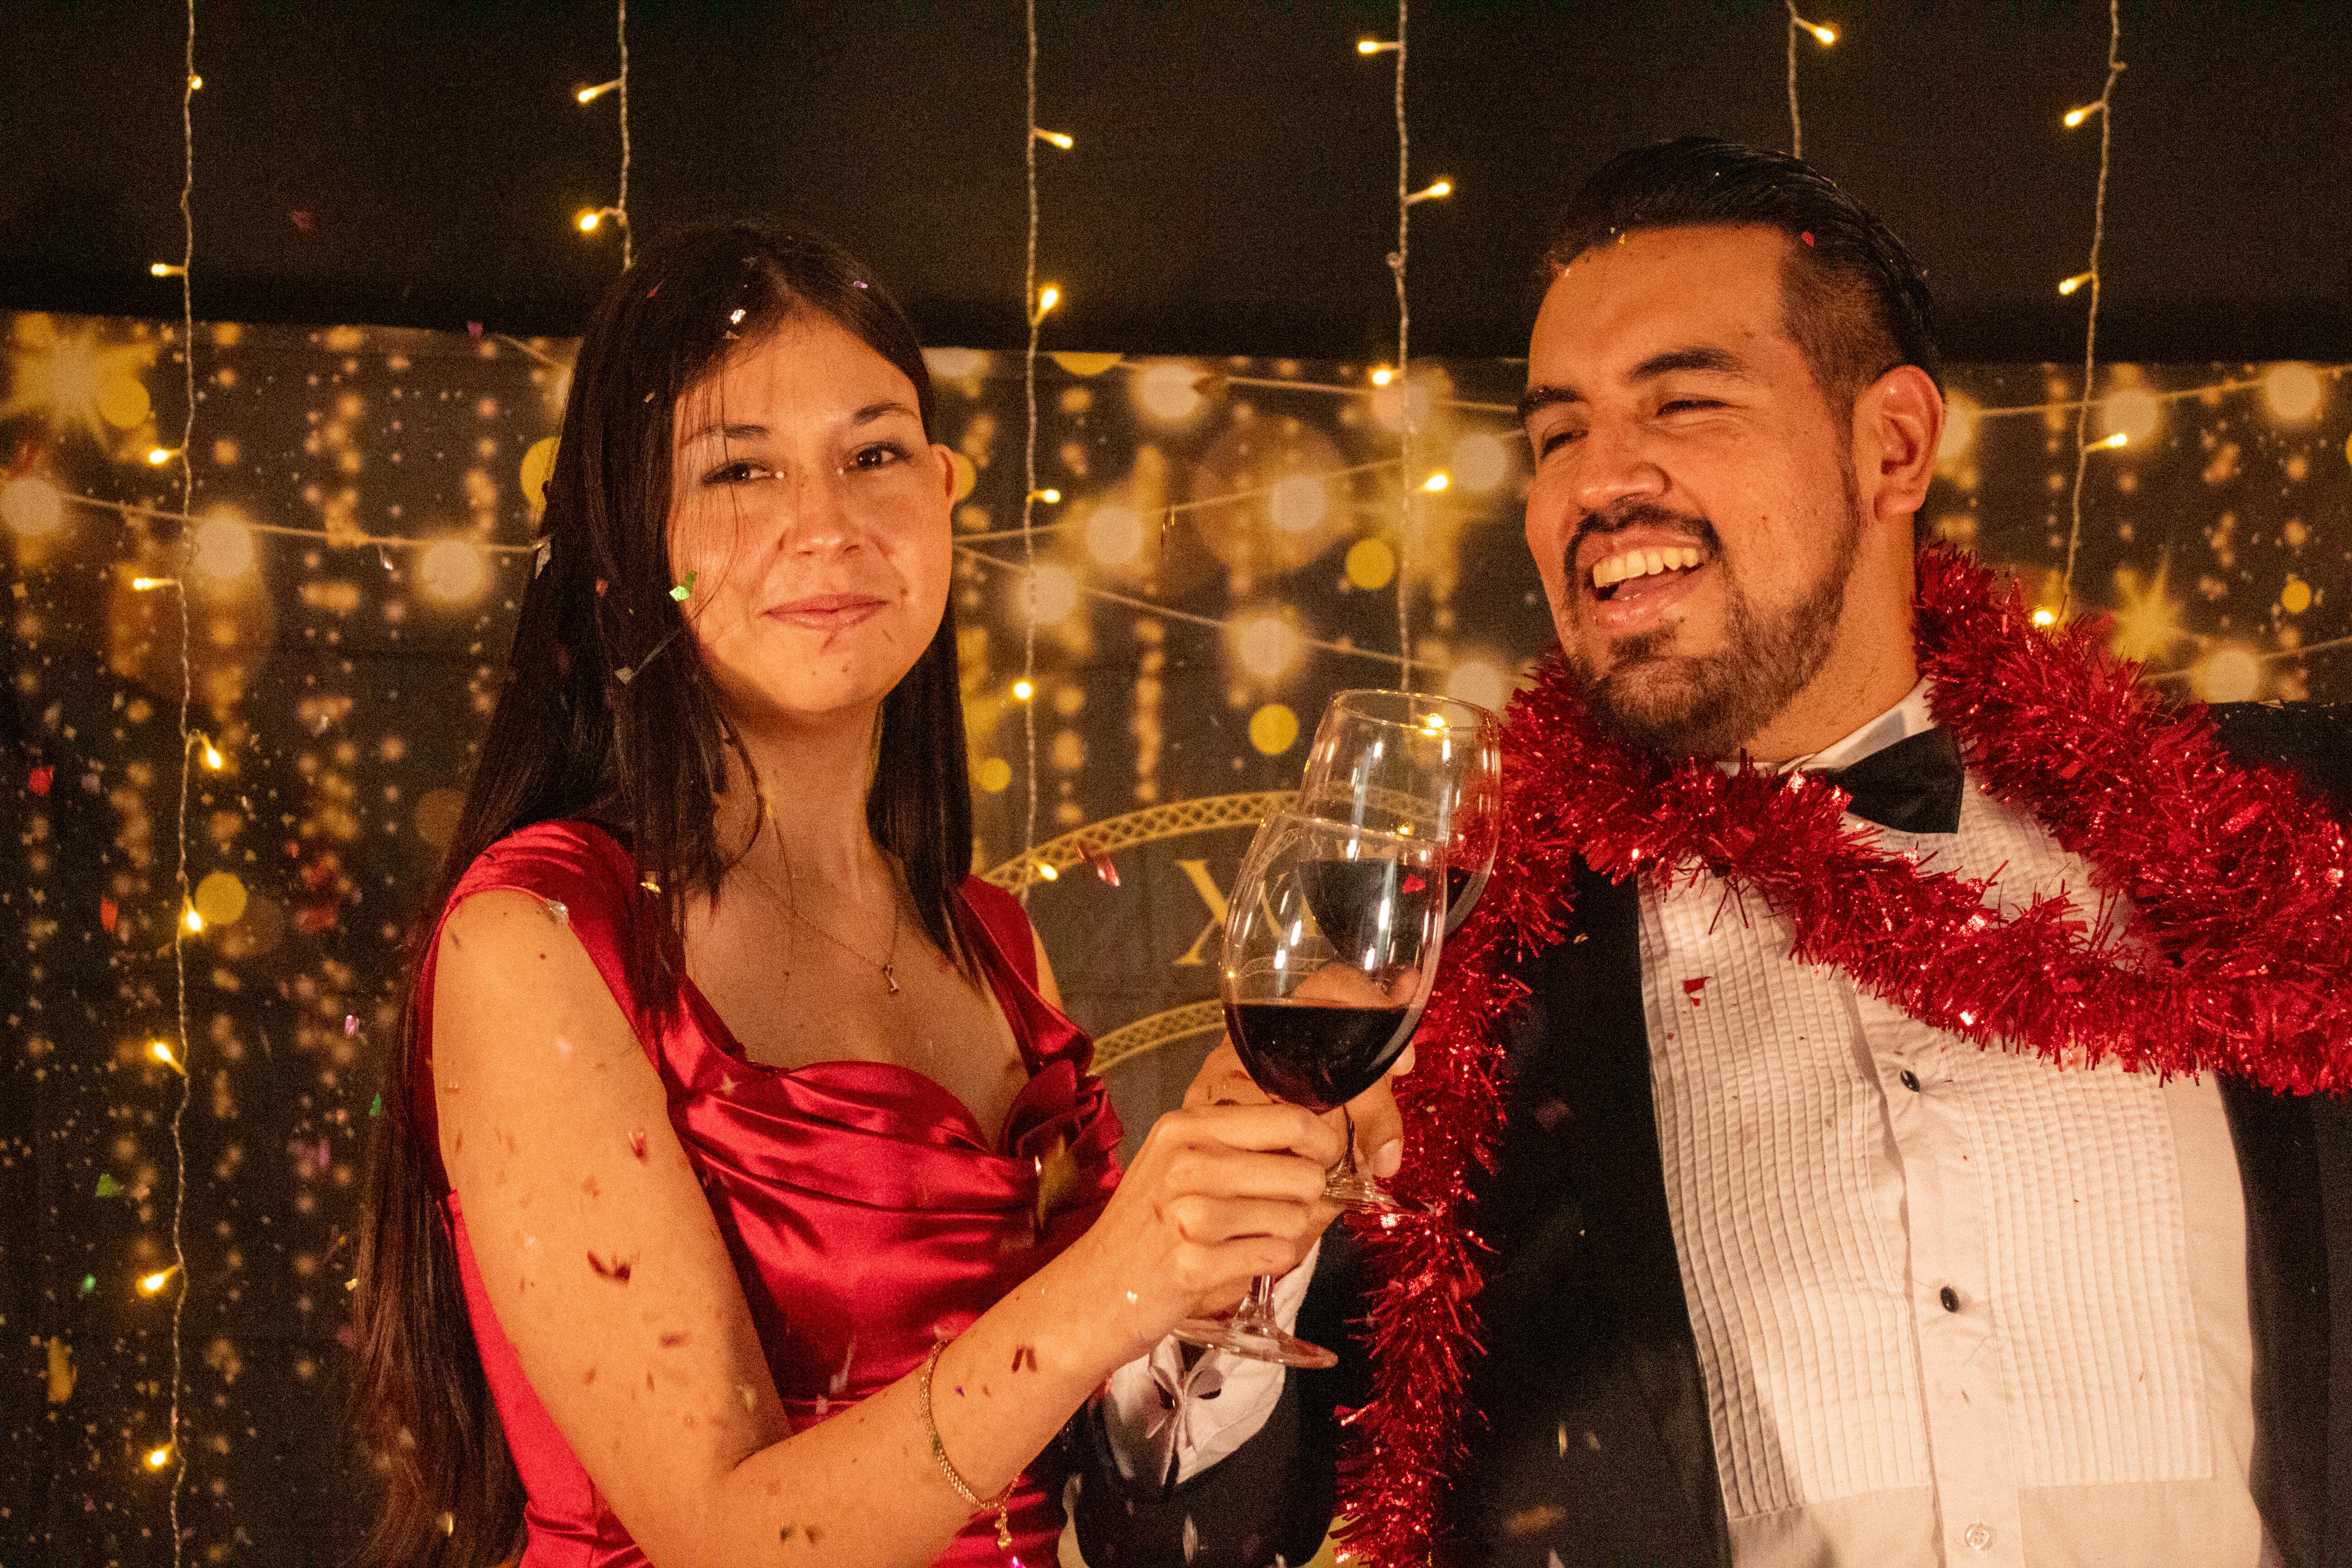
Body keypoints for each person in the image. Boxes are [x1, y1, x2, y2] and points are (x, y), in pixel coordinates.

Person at [1072, 138, 2352, 1568]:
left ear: (1894, 445)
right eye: (1557, 434)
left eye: (1684, 401)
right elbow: (1184, 1536)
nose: (1600, 484)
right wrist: (1209, 1279)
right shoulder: (1465, 953)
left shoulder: (2268, 835)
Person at [349, 223, 1401, 1568]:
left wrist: (1239, 1217)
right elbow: (724, 1537)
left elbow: (1102, 1453)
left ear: (946, 490)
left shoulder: (988, 940)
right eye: (739, 469)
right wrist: (1118, 1273)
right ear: (626, 532)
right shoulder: (541, 937)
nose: (829, 525)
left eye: (875, 453)